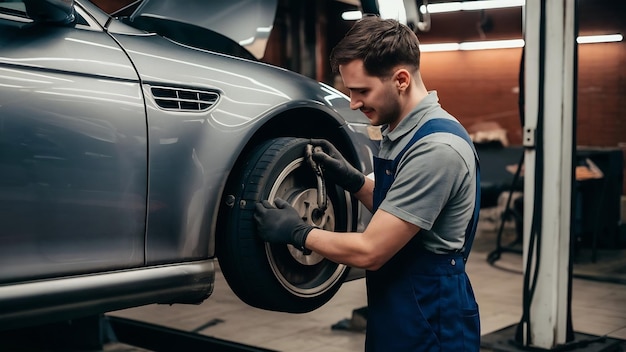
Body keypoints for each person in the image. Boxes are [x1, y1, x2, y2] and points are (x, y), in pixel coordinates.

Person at [254, 16, 481, 351]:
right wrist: (354, 180)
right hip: (400, 306)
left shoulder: (436, 149)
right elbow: (405, 213)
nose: (354, 103)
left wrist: (299, 232)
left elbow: (371, 250)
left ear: (401, 79)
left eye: (362, 91)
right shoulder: (403, 132)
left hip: (432, 317)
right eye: (349, 90)